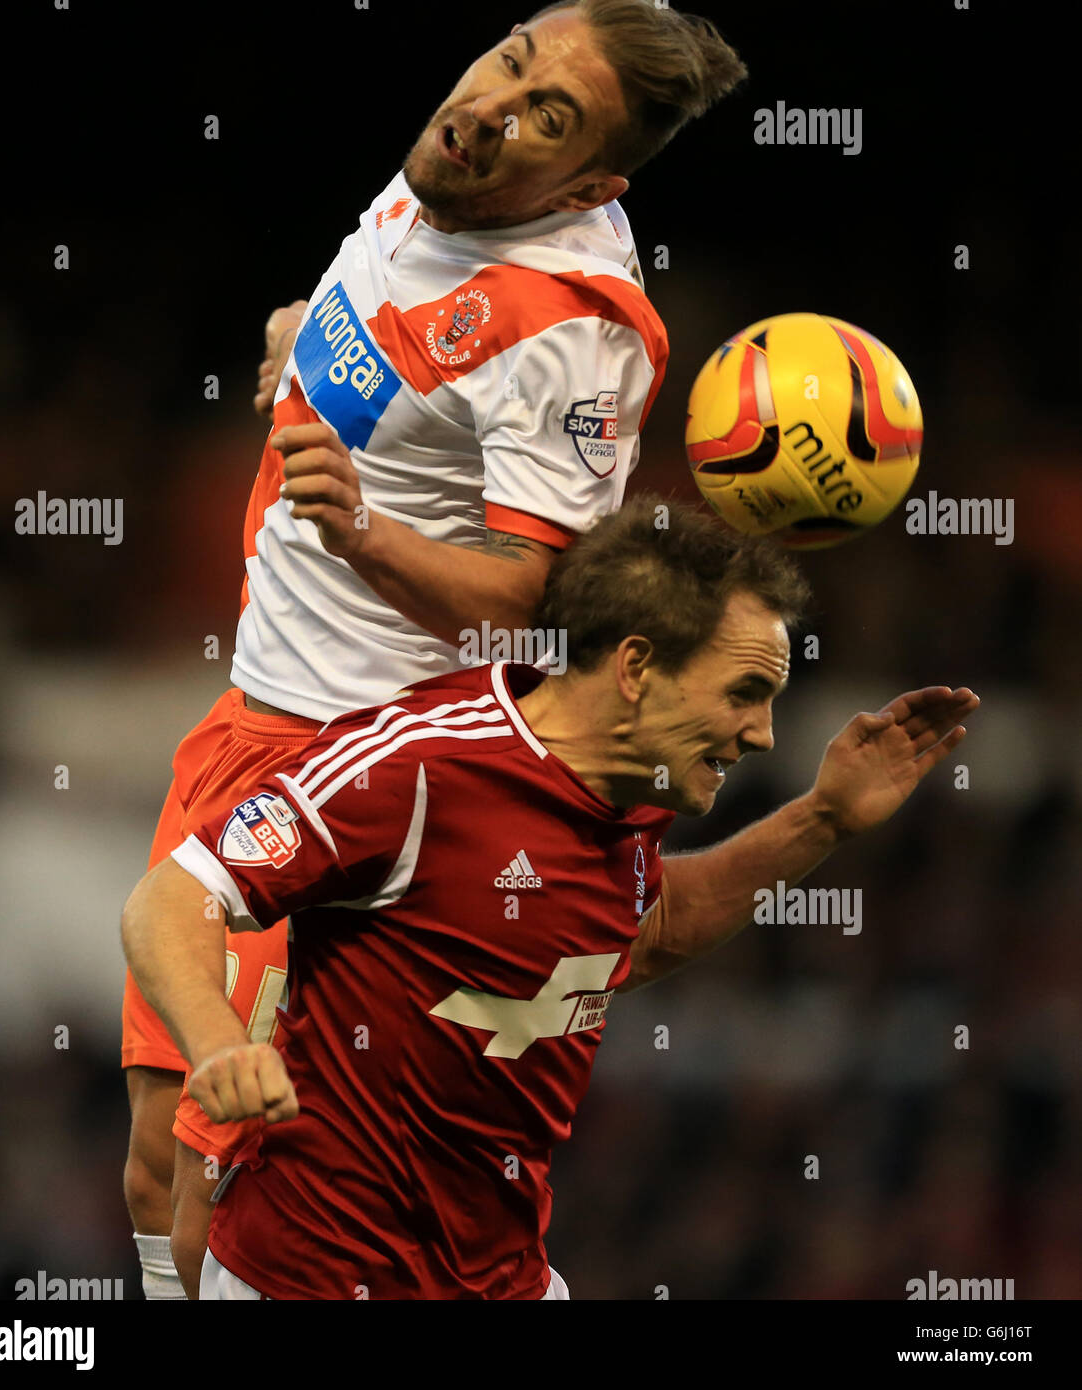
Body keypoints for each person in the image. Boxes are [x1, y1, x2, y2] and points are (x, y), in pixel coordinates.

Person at [121, 0, 750, 1299]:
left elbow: (535, 604)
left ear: (592, 179)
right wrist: (305, 358)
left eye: (549, 119)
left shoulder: (577, 327)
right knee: (148, 1165)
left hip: (353, 774)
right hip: (252, 714)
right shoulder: (440, 165)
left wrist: (357, 526)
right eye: (510, 62)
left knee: (219, 1197)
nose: (491, 111)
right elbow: (396, 371)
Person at [122, 498, 979, 1299]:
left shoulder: (639, 786)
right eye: (743, 693)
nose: (760, 734)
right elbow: (169, 900)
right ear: (636, 666)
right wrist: (219, 1047)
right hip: (310, 1277)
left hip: (504, 1278)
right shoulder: (418, 768)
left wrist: (820, 820)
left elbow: (637, 933)